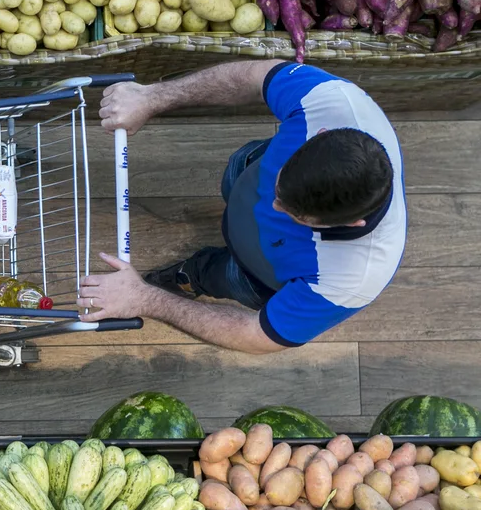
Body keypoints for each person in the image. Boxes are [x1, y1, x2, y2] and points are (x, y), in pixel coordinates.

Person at [78, 60, 406, 354]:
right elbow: (251, 76)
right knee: (238, 170)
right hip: (247, 174)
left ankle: (191, 277)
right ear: (320, 134)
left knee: (219, 275)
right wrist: (151, 97)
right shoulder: (331, 100)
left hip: (256, 274)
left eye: (295, 216)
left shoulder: (353, 278)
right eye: (278, 187)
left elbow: (255, 335)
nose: (272, 205)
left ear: (353, 225)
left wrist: (144, 299)